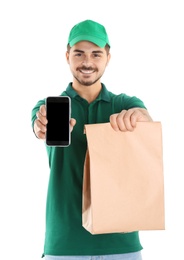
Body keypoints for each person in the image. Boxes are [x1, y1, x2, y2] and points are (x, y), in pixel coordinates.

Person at [31, 19, 153, 260]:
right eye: (79, 54)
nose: (87, 62)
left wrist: (139, 118)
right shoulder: (49, 107)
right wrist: (40, 125)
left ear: (108, 57)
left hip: (121, 242)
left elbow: (146, 120)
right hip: (64, 243)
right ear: (67, 56)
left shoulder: (125, 104)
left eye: (96, 54)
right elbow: (38, 126)